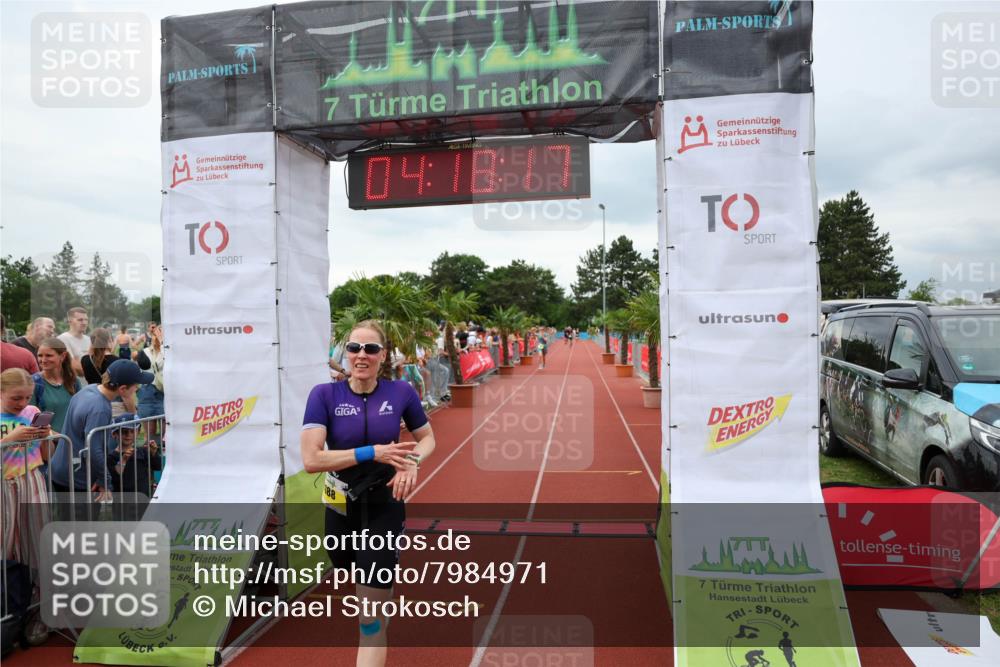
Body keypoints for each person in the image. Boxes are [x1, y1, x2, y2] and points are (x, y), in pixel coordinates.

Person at [300, 320, 435, 667]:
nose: (361, 355)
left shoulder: (401, 393)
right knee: (348, 568)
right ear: (345, 353)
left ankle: (375, 607)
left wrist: (412, 462)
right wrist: (371, 452)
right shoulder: (324, 395)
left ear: (382, 355)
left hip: (384, 506)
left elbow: (427, 438)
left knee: (369, 618)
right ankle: (377, 592)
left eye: (370, 349)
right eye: (354, 348)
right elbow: (312, 459)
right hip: (340, 506)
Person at [49, 359, 153, 498]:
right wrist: (105, 480)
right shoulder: (100, 408)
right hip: (77, 478)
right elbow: (93, 448)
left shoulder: (89, 389)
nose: (137, 389)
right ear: (122, 389)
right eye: (136, 386)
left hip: (61, 469)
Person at [1, 368, 52, 569]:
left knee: (37, 534)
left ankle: (36, 586)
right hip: (4, 483)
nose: (22, 403)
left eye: (27, 397)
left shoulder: (32, 412)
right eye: (16, 398)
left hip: (32, 479)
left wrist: (46, 436)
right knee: (6, 536)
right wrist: (9, 439)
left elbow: (48, 455)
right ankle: (7, 588)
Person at [31, 338, 82, 435]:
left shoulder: (73, 381)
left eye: (49, 355)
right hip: (48, 444)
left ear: (62, 356)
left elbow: (80, 413)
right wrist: (59, 437)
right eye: (40, 355)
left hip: (71, 443)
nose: (43, 360)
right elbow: (30, 420)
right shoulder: (34, 383)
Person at [106, 413, 162, 498]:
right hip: (122, 501)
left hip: (144, 498)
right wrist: (123, 460)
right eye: (124, 432)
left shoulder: (142, 451)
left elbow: (158, 466)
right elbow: (114, 478)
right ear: (114, 434)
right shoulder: (111, 457)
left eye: (132, 431)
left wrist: (154, 453)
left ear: (138, 432)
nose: (128, 435)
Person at [56, 307, 90, 382]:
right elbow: (73, 366)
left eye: (86, 320)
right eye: (80, 320)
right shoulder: (63, 339)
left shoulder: (89, 340)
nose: (84, 323)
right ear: (70, 321)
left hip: (90, 386)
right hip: (72, 385)